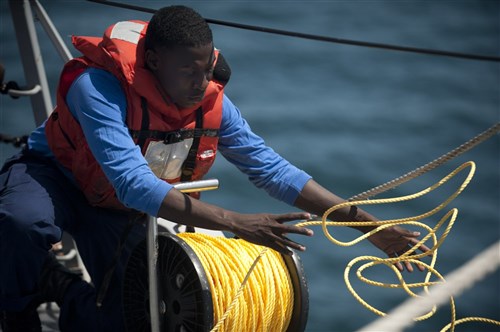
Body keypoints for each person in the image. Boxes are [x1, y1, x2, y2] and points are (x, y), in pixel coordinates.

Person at [0, 5, 429, 332]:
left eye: (207, 69)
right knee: (20, 223)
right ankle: (17, 306)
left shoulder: (212, 104)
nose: (201, 82)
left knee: (137, 317)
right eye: (187, 69)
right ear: (151, 61)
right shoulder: (96, 87)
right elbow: (134, 184)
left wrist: (373, 230)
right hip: (54, 174)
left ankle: (56, 284)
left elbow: (273, 171)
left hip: (112, 206)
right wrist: (236, 222)